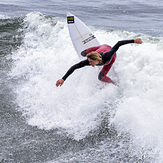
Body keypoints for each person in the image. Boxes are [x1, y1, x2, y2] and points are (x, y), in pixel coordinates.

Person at [56, 38, 143, 87]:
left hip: (108, 55)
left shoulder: (108, 56)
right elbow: (75, 67)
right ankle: (87, 51)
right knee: (83, 53)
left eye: (90, 62)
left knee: (101, 77)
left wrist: (134, 41)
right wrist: (63, 78)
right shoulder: (90, 60)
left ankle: (114, 84)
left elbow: (118, 43)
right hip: (99, 48)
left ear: (97, 60)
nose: (89, 63)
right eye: (89, 61)